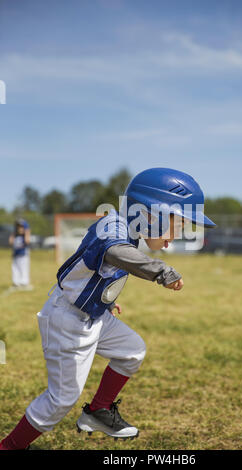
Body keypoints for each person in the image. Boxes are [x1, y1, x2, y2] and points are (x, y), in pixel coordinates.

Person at [0, 168, 216, 450]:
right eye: (175, 225)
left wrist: (107, 300)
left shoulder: (129, 230)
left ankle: (98, 412)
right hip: (68, 320)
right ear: (152, 212)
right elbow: (115, 252)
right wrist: (162, 271)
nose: (173, 237)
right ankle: (9, 446)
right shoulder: (112, 225)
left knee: (132, 350)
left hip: (93, 315)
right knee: (61, 399)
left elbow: (95, 270)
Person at [8, 218, 32, 290]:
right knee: (15, 269)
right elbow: (10, 242)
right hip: (16, 255)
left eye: (21, 227)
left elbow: (27, 241)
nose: (19, 229)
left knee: (23, 268)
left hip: (23, 255)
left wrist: (27, 231)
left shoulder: (24, 236)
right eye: (18, 227)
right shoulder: (15, 236)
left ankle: (24, 283)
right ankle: (16, 282)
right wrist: (14, 233)